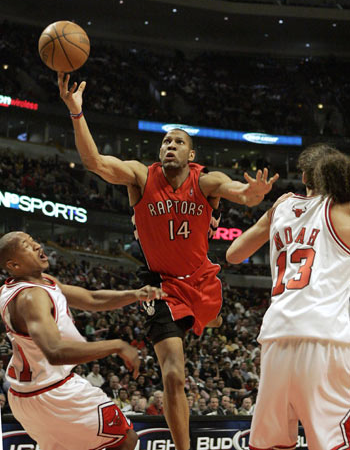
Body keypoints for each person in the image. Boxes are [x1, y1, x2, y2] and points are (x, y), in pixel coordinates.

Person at [58, 72, 278, 450]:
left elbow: (240, 193)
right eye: (165, 141)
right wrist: (77, 114)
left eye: (178, 142)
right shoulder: (141, 177)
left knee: (212, 317)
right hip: (159, 286)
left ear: (191, 154)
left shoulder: (205, 181)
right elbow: (93, 161)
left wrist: (253, 193)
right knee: (174, 375)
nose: (170, 146)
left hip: (202, 280)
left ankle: (209, 316)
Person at [226, 144, 350, 450]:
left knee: (272, 444)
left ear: (305, 176)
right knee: (333, 442)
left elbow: (233, 253)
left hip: (276, 337)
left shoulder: (280, 207)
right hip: (326, 337)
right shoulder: (342, 210)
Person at [0, 231, 165, 450]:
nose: (38, 245)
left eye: (34, 240)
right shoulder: (31, 297)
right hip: (55, 392)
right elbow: (55, 351)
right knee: (126, 439)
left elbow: (91, 298)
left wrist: (136, 294)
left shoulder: (29, 285)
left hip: (25, 395)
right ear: (14, 265)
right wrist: (117, 345)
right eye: (27, 246)